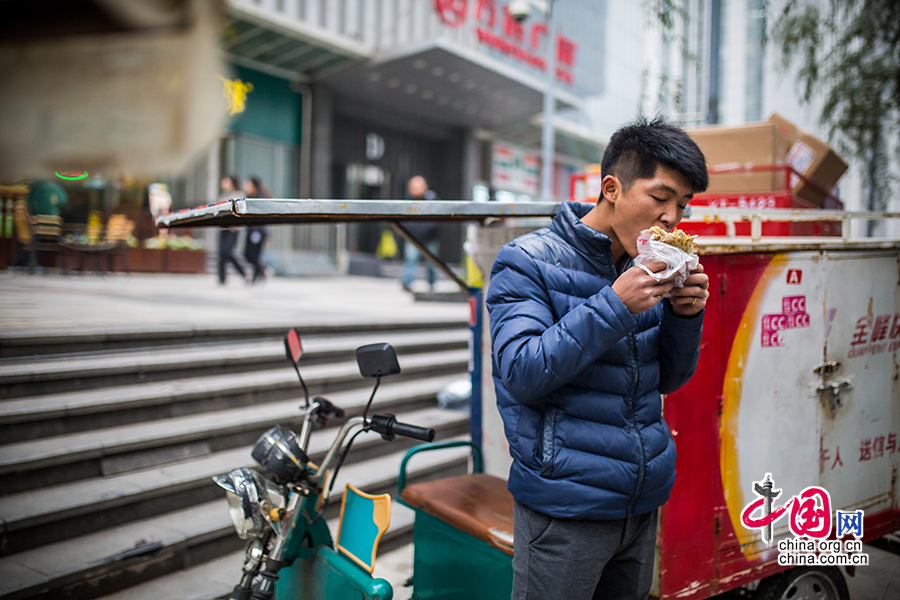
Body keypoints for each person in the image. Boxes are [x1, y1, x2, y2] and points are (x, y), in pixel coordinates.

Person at [486, 118, 710, 600]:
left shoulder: (644, 267)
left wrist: (685, 316)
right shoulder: (526, 261)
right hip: (565, 511)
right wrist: (614, 304)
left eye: (682, 205)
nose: (672, 218)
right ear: (612, 188)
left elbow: (669, 378)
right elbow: (521, 372)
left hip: (641, 503)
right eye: (661, 197)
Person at [401, 175, 441, 292]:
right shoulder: (407, 202)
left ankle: (432, 284)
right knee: (410, 259)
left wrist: (426, 230)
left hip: (430, 237)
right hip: (413, 238)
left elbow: (437, 219)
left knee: (432, 263)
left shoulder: (432, 199)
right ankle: (407, 283)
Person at [217, 175, 247, 285]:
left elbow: (241, 211)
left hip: (233, 228)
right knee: (221, 253)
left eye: (226, 182)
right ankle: (221, 278)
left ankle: (243, 272)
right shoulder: (223, 195)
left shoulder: (239, 195)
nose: (223, 184)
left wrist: (237, 223)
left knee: (227, 251)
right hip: (223, 227)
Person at [242, 176, 271, 285]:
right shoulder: (249, 197)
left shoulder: (260, 198)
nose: (246, 187)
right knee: (247, 254)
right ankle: (261, 270)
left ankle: (257, 275)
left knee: (254, 255)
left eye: (248, 184)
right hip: (251, 230)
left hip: (258, 231)